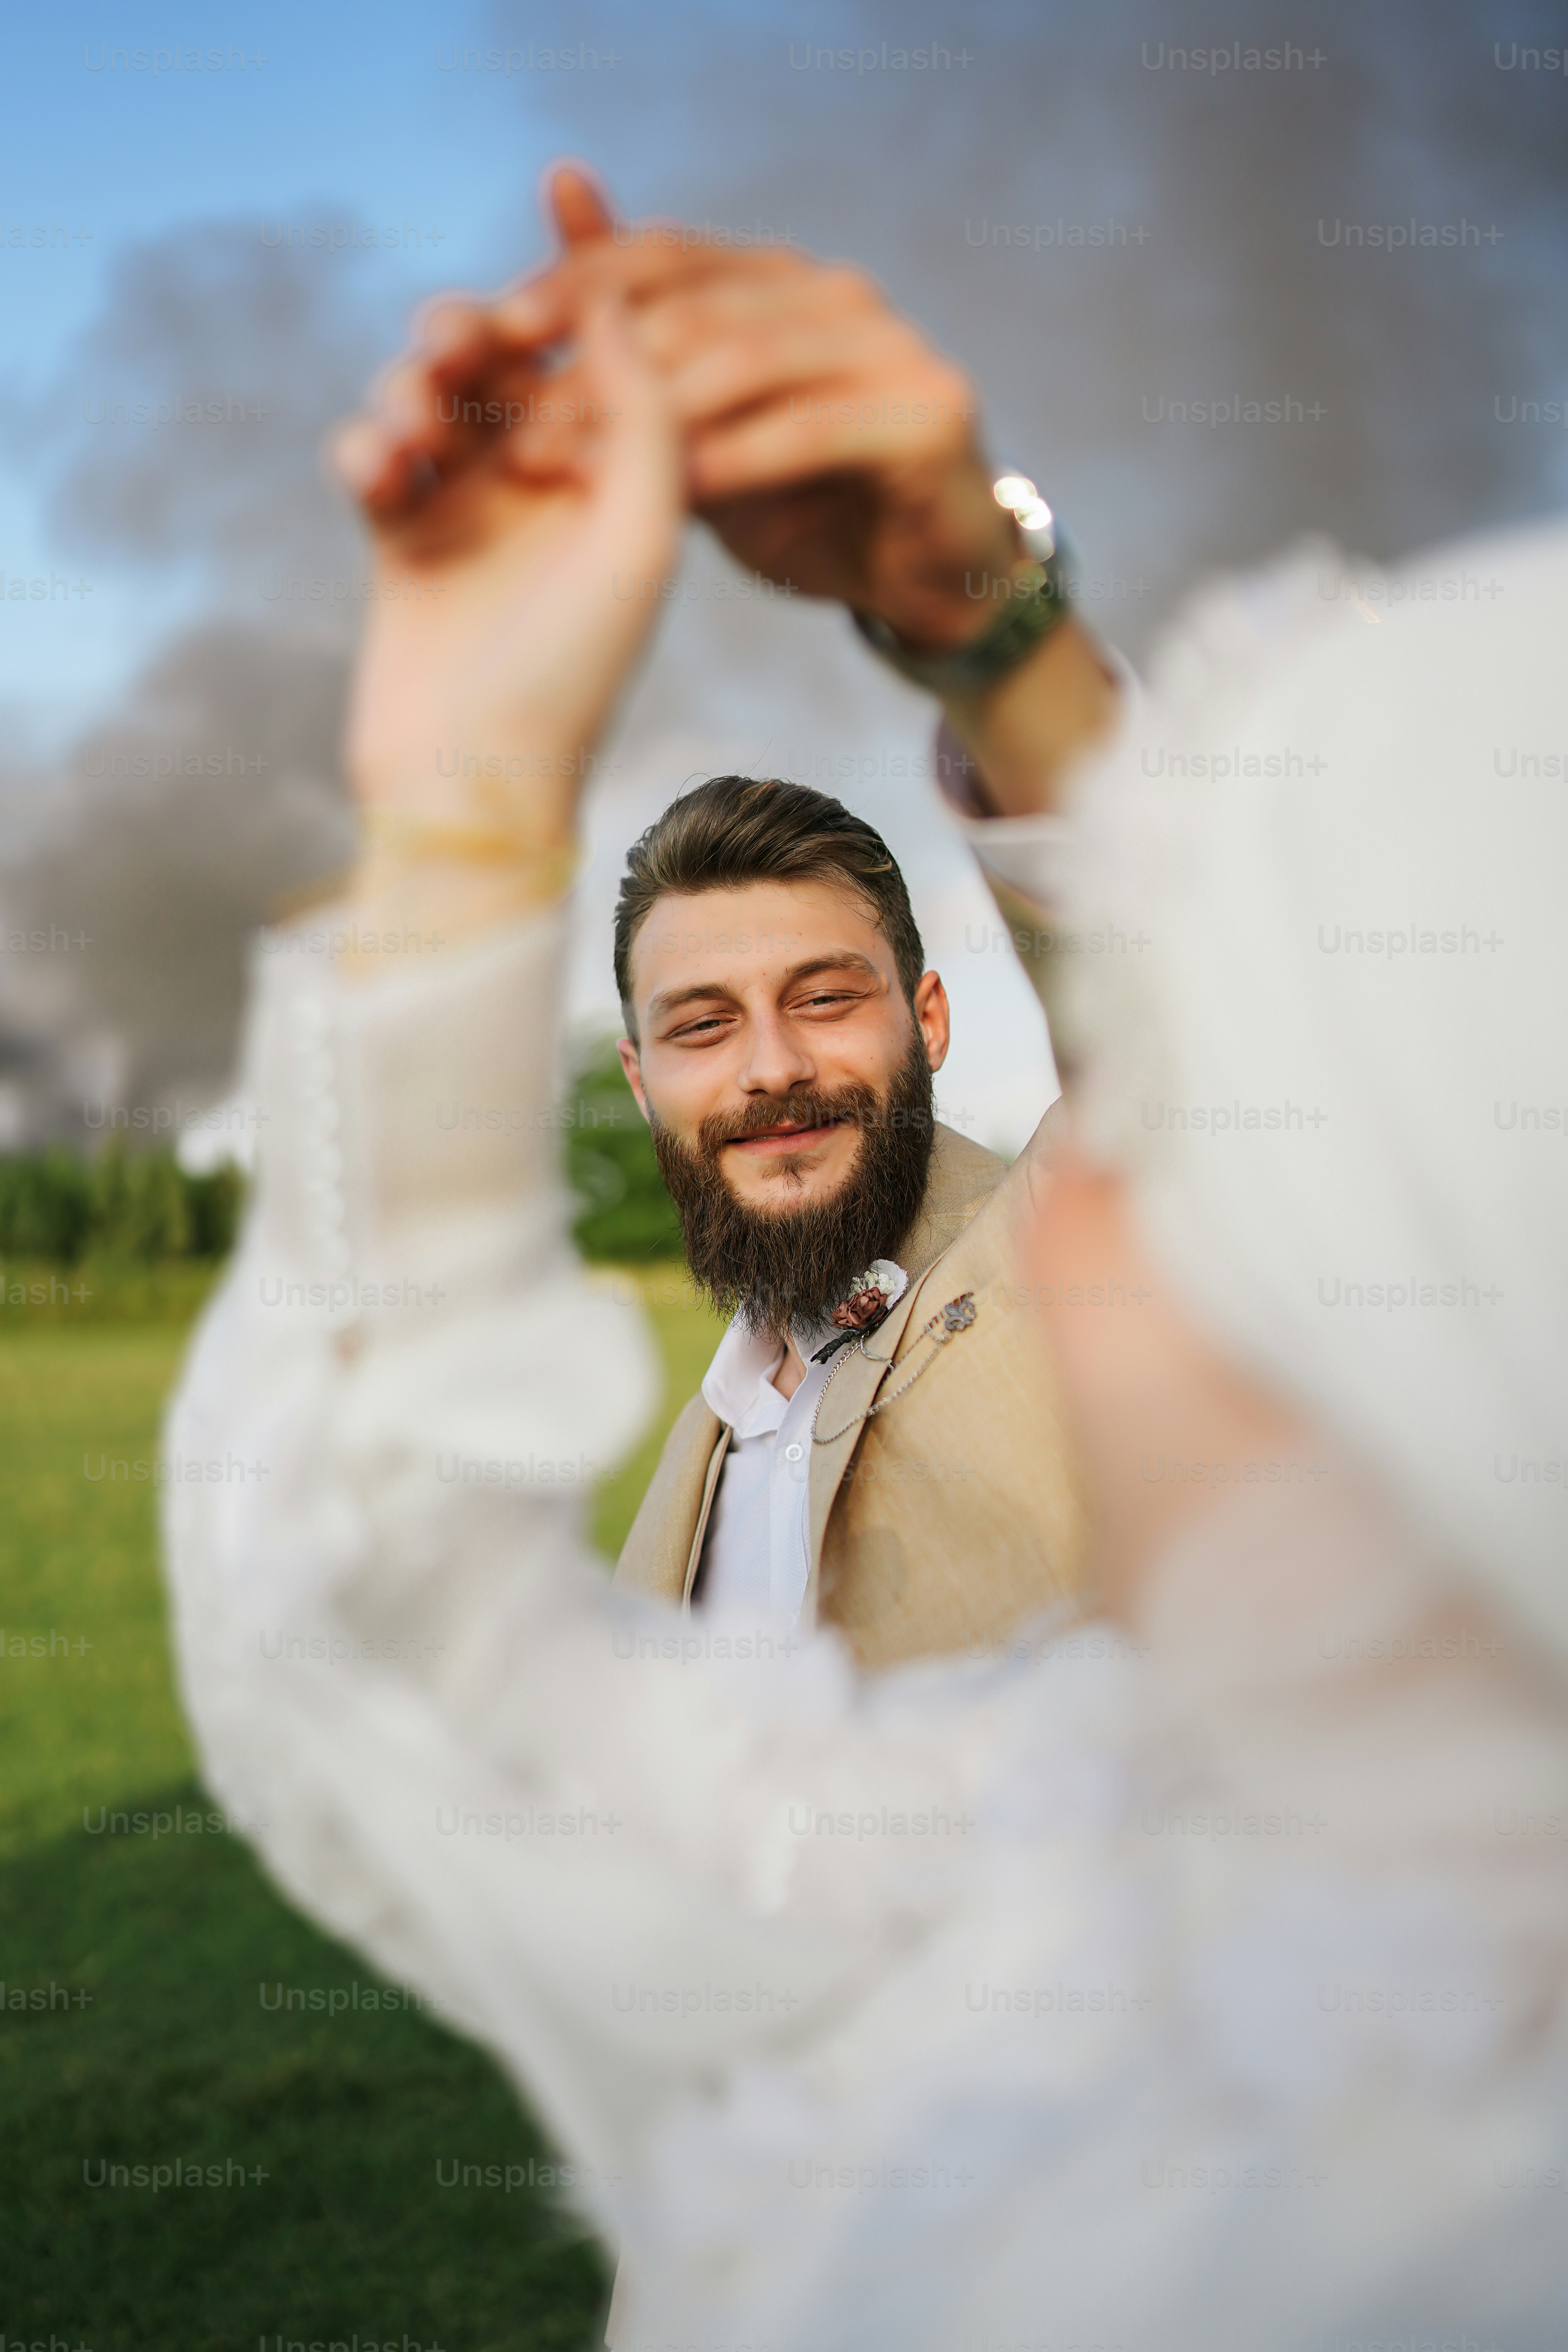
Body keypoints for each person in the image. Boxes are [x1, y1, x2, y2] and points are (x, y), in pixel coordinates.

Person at [163, 169, 1568, 2350]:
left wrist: (988, 629)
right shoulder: (731, 1462)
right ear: (640, 1082)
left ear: (934, 1021)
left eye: (827, 1002)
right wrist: (456, 797)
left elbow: (1180, 1041)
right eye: (701, 1029)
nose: (773, 1077)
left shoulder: (1072, 1253)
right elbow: (412, 1663)